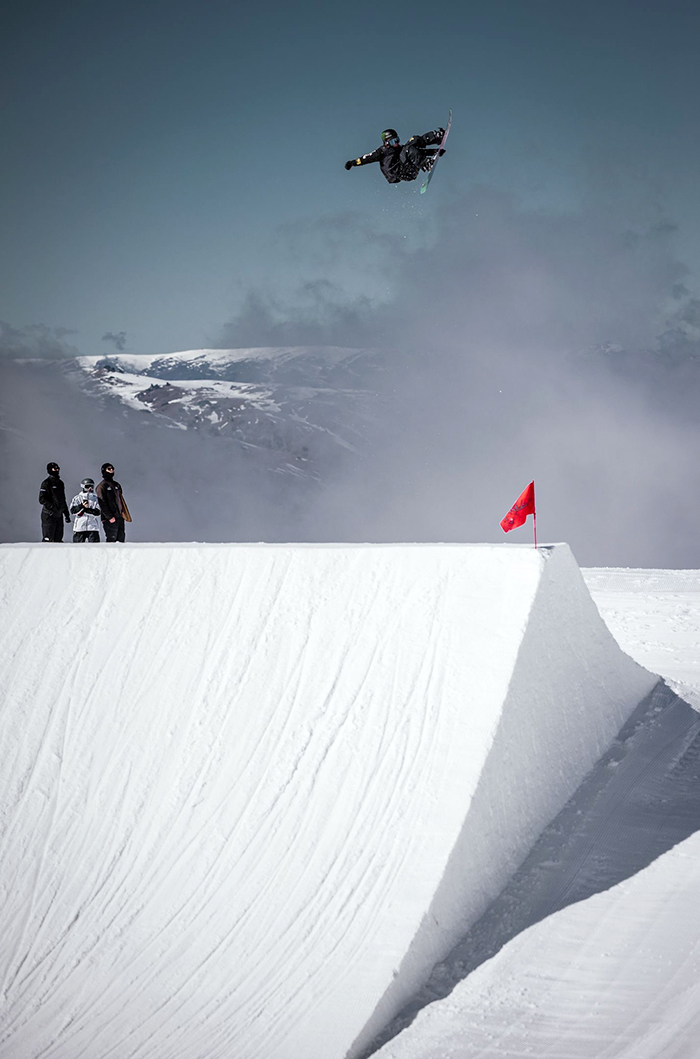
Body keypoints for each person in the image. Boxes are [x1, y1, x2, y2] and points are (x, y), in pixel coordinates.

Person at [345, 126, 445, 184]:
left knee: (413, 141)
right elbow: (366, 158)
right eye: (393, 141)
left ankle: (437, 137)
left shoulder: (400, 149)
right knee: (409, 147)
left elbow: (415, 153)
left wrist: (435, 152)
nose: (396, 143)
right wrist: (352, 163)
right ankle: (425, 164)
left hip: (410, 169)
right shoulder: (382, 151)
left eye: (397, 140)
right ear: (386, 143)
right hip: (400, 173)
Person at [38, 462, 71, 541]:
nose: (57, 470)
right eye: (55, 468)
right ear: (50, 470)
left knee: (58, 539)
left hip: (59, 515)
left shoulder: (60, 483)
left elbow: (62, 499)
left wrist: (66, 514)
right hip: (49, 515)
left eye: (58, 468)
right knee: (48, 539)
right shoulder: (46, 483)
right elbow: (42, 499)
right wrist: (52, 507)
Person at [96, 462, 126, 542]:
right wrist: (109, 517)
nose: (112, 470)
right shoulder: (102, 486)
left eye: (112, 468)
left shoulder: (116, 485)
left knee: (121, 539)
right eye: (109, 469)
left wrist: (123, 513)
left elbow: (120, 499)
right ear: (104, 471)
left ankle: (121, 554)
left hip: (119, 517)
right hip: (110, 518)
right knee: (111, 539)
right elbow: (102, 503)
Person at [69, 478, 102, 542]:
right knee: (78, 548)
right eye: (87, 486)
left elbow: (97, 512)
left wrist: (85, 509)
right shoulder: (77, 498)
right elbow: (73, 511)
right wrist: (82, 506)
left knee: (94, 548)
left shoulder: (96, 499)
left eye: (91, 487)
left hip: (93, 527)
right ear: (83, 486)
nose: (90, 489)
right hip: (79, 527)